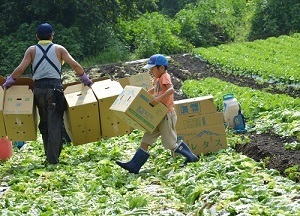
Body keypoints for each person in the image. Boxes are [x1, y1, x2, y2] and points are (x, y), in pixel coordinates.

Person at [2, 23, 93, 164]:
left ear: (37, 36)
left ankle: (49, 156)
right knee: (55, 123)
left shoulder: (31, 50)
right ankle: (53, 158)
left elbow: (20, 69)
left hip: (38, 90)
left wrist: (9, 81)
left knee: (44, 123)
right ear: (52, 36)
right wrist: (85, 79)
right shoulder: (59, 49)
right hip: (55, 90)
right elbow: (74, 64)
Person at [116, 54, 198, 174]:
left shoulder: (165, 76)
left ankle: (191, 157)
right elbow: (154, 90)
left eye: (153, 68)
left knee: (171, 143)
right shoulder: (157, 79)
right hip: (158, 116)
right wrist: (142, 94)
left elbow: (171, 90)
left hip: (166, 115)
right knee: (146, 139)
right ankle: (134, 165)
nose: (151, 71)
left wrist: (158, 99)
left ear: (162, 68)